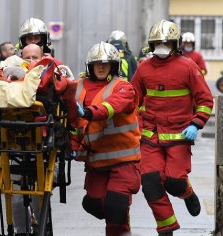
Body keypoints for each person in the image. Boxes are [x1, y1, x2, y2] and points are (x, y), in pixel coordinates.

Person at [130, 20, 214, 236]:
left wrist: (196, 124)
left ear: (175, 44)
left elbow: (205, 100)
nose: (162, 45)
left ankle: (187, 193)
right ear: (151, 44)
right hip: (150, 136)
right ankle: (166, 227)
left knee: (175, 182)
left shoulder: (188, 67)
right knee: (150, 183)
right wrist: (137, 125)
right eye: (158, 42)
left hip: (179, 135)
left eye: (166, 42)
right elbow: (133, 100)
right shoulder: (144, 68)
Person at [73, 41, 141, 236]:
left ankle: (121, 226)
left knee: (116, 208)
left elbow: (112, 106)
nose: (101, 67)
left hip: (124, 161)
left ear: (114, 66)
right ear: (90, 66)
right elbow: (71, 121)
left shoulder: (123, 87)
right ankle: (117, 217)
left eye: (106, 63)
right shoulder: (78, 86)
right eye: (97, 63)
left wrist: (89, 112)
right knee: (92, 204)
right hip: (97, 162)